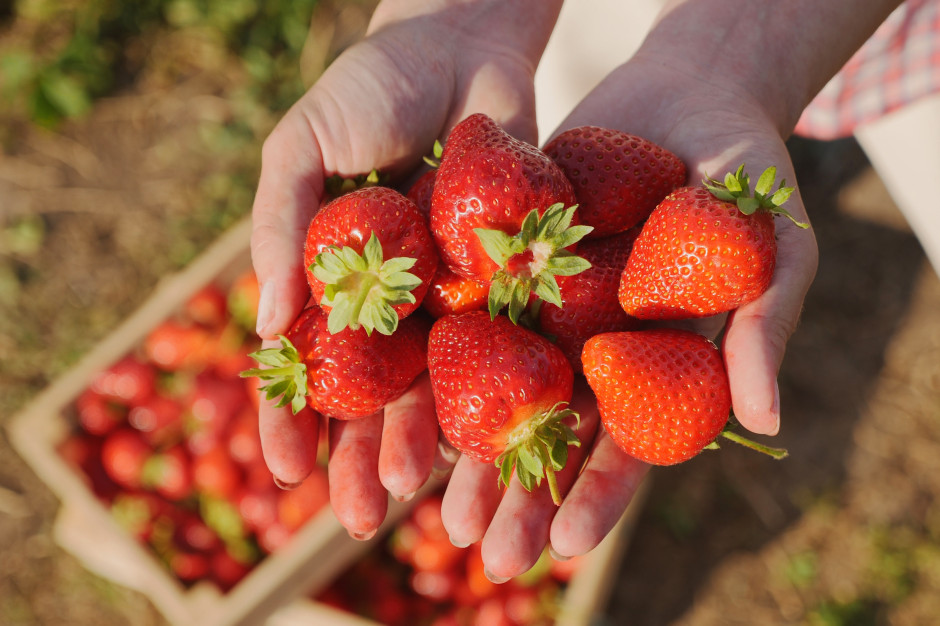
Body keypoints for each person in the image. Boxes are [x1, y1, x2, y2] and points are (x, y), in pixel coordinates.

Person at [249, 0, 912, 582]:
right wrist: (465, 16)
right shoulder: (517, 239)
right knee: (569, 80)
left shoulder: (519, 240)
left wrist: (733, 54)